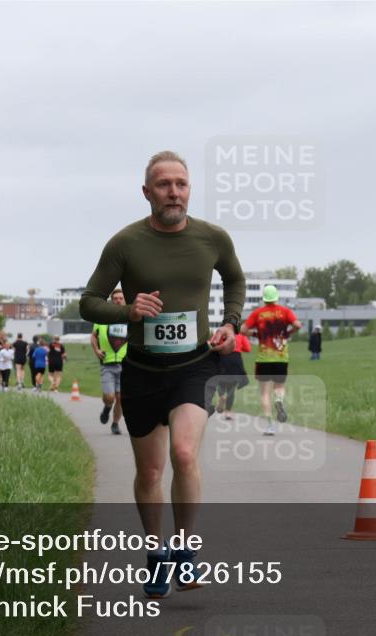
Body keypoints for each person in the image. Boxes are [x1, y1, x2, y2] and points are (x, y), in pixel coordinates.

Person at [79, 150, 245, 599]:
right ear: (147, 192)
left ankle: (186, 550)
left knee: (185, 455)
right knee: (150, 472)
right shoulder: (125, 243)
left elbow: (234, 279)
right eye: (164, 184)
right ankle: (155, 554)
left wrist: (231, 322)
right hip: (142, 369)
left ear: (190, 189)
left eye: (182, 184)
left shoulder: (212, 238)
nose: (174, 192)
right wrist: (126, 309)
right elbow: (88, 300)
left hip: (194, 364)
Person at [243, 285, 302, 436]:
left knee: (264, 393)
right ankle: (279, 400)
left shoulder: (258, 313)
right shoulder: (285, 311)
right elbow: (298, 325)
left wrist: (257, 334)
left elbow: (243, 330)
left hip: (263, 358)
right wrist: (288, 333)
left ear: (264, 298)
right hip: (281, 357)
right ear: (276, 297)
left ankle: (270, 426)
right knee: (279, 386)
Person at [91, 289, 129, 435]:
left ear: (125, 300)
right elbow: (93, 336)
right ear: (112, 301)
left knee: (120, 398)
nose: (118, 300)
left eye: (121, 298)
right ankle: (107, 407)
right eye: (116, 298)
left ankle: (115, 423)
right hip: (107, 364)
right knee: (110, 397)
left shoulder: (130, 319)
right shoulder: (102, 318)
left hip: (125, 365)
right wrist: (96, 350)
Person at [214, 331, 251, 421]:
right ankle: (228, 412)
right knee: (231, 388)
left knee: (220, 382)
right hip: (235, 359)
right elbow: (248, 348)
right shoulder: (240, 334)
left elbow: (213, 343)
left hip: (223, 358)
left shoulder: (221, 331)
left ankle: (222, 395)